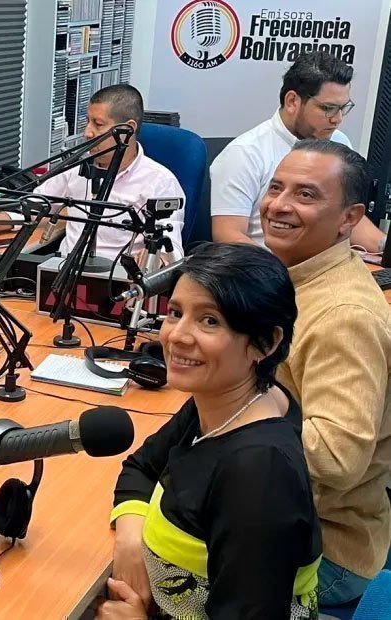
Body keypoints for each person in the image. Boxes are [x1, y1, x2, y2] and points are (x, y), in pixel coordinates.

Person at [101, 242, 320, 619]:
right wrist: (131, 537)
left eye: (210, 321)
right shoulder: (225, 400)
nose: (177, 336)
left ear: (265, 343)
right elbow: (140, 467)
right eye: (175, 313)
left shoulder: (258, 473)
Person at [263, 139, 391, 606]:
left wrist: (236, 420)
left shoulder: (343, 315)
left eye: (306, 195)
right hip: (280, 519)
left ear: (350, 218)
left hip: (327, 553)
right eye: (276, 187)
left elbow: (337, 459)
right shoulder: (293, 279)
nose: (279, 205)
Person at [0, 84, 185, 263]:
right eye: (87, 122)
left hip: (116, 284)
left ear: (128, 129)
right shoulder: (76, 170)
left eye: (98, 124)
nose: (88, 133)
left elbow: (169, 253)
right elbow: (34, 205)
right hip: (63, 273)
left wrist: (149, 264)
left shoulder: (160, 183)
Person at [211, 50, 385, 253]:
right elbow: (228, 236)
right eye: (328, 108)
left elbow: (348, 219)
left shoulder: (338, 143)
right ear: (292, 101)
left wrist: (385, 248)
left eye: (342, 108)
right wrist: (287, 274)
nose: (337, 119)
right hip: (271, 273)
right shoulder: (244, 154)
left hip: (330, 267)